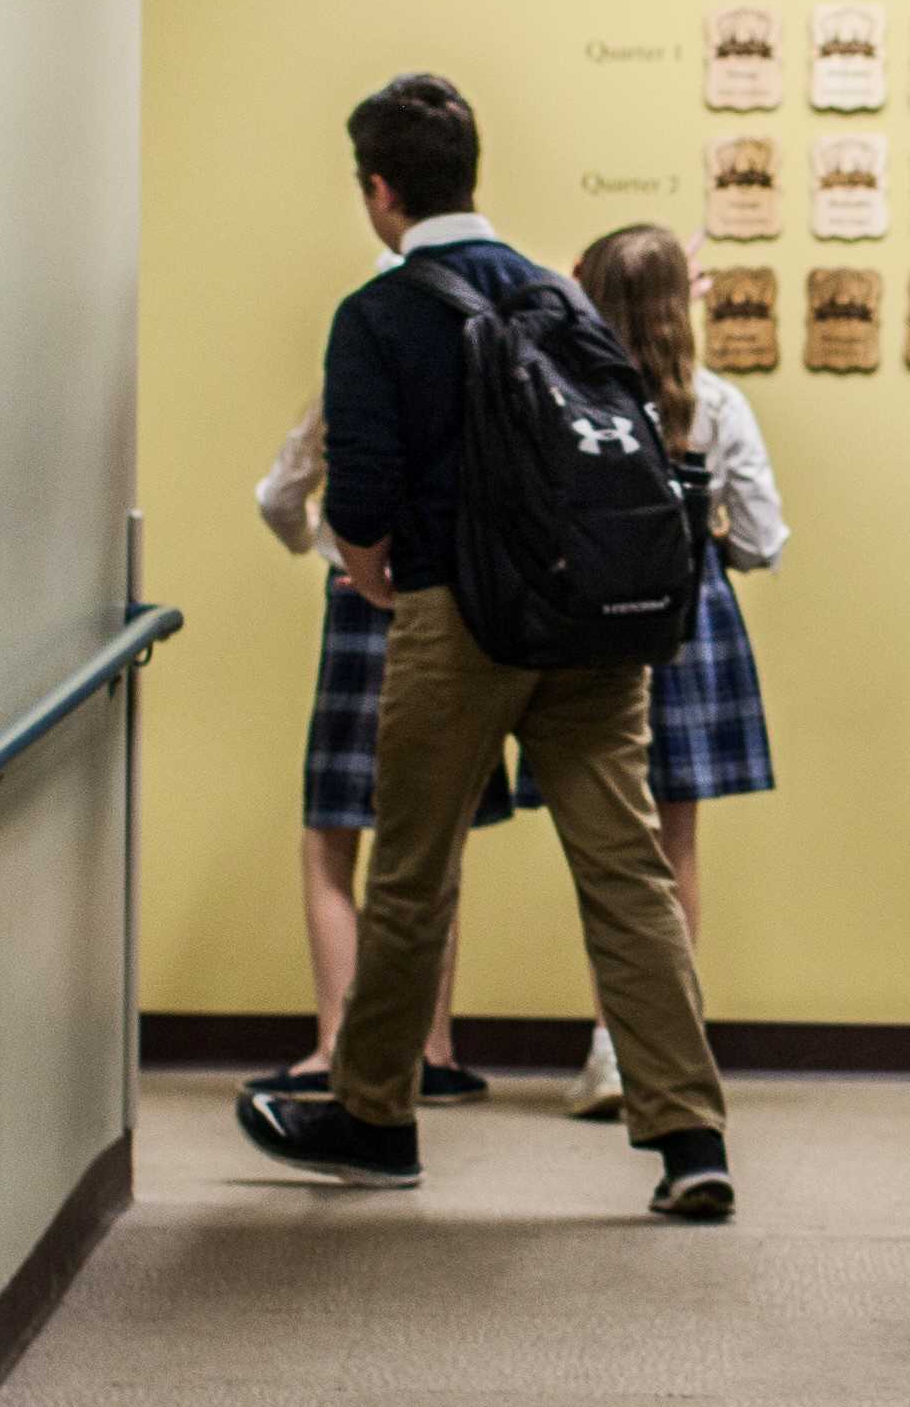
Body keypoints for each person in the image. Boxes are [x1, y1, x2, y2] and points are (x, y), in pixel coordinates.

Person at [236, 74, 739, 1216]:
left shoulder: (378, 314)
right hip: (596, 632)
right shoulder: (560, 297)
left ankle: (373, 1116)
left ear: (379, 191)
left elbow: (356, 497)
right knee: (628, 877)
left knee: (413, 872)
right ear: (474, 172)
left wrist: (376, 567)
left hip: (459, 622)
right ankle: (690, 1138)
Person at [556, 223, 792, 1120]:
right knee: (675, 846)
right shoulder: (716, 405)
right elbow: (764, 541)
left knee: (608, 843)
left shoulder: (567, 395)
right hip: (688, 624)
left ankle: (606, 1046)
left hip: (589, 630)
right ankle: (664, 1045)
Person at [252, 395, 503, 1106]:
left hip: (361, 605)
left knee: (332, 837)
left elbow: (279, 498)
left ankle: (337, 1042)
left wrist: (312, 539)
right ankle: (433, 1048)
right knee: (437, 834)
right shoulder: (471, 380)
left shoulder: (344, 394)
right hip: (453, 611)